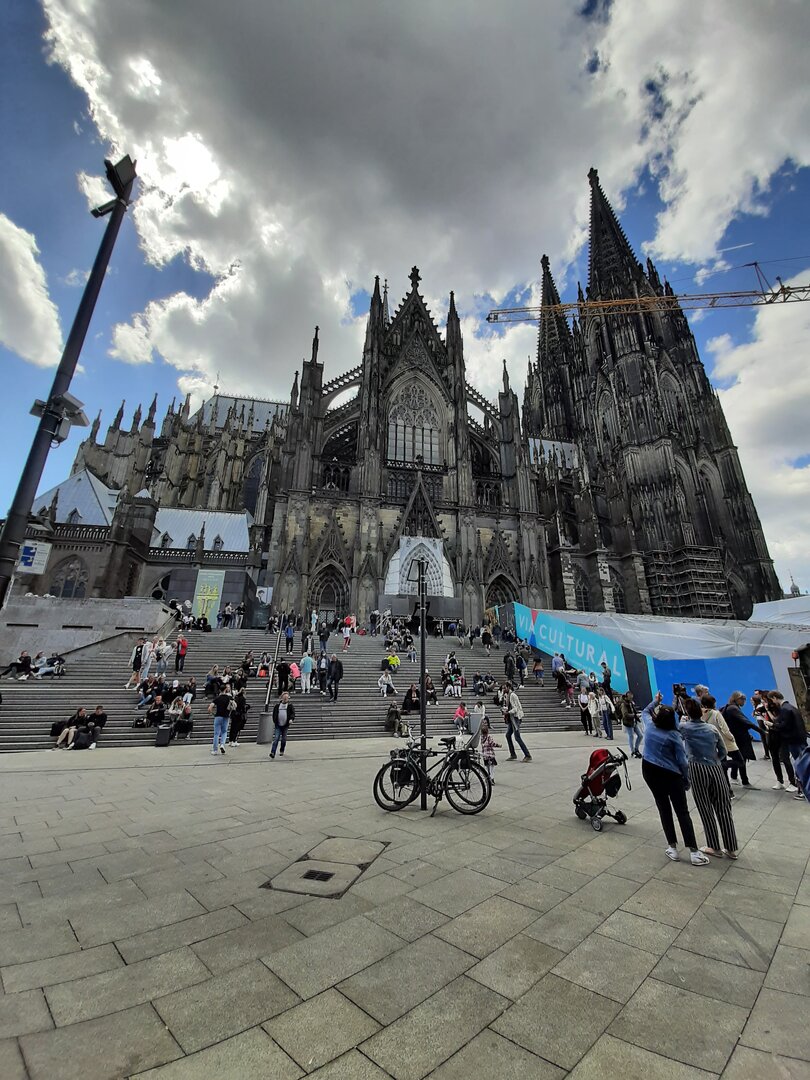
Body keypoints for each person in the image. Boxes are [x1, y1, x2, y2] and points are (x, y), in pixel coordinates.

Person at [641, 700, 709, 865]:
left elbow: (645, 711)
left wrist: (655, 701)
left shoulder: (649, 727)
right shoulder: (674, 736)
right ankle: (693, 851)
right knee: (682, 811)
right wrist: (686, 779)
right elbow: (682, 762)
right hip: (670, 774)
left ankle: (672, 847)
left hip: (649, 770)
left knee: (663, 808)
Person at [680, 697, 737, 858]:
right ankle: (731, 848)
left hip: (696, 767)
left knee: (705, 807)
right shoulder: (711, 729)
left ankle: (714, 846)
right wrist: (715, 760)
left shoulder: (685, 727)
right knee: (723, 807)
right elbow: (723, 751)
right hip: (715, 767)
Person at [766, 691, 807, 798]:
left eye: (771, 699)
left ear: (775, 698)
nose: (772, 702)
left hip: (794, 740)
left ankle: (803, 790)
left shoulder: (785, 709)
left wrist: (772, 725)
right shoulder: (791, 707)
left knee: (800, 765)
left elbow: (784, 725)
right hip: (800, 739)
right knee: (803, 763)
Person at [700, 694, 739, 798]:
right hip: (722, 742)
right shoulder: (716, 713)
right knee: (739, 761)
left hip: (709, 744)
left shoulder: (700, 714)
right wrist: (732, 738)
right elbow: (724, 729)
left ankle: (726, 790)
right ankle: (727, 789)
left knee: (721, 768)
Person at [721, 692, 762, 788]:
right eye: (743, 699)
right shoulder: (733, 708)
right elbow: (745, 721)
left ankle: (734, 777)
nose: (744, 701)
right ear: (737, 699)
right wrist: (761, 731)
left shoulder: (731, 707)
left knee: (739, 758)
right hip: (738, 738)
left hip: (736, 737)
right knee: (741, 758)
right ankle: (744, 781)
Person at [503, 682, 532, 761]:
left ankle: (527, 755)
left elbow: (515, 708)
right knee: (508, 735)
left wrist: (508, 712)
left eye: (505, 687)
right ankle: (513, 754)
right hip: (511, 718)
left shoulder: (512, 695)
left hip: (515, 718)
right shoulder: (507, 695)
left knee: (517, 737)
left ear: (509, 687)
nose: (503, 689)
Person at [270, 692, 294, 758]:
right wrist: (275, 721)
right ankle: (273, 752)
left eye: (287, 698)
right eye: (284, 698)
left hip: (285, 725)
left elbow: (292, 714)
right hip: (278, 725)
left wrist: (291, 719)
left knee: (284, 739)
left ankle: (282, 750)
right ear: (282, 698)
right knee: (276, 738)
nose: (286, 699)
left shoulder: (290, 706)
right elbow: (274, 714)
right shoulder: (277, 706)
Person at [620, 692, 643, 758]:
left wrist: (637, 715)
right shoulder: (624, 704)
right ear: (626, 697)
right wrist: (634, 715)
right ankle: (632, 751)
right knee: (631, 736)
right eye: (630, 698)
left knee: (640, 735)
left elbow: (633, 711)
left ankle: (636, 749)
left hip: (634, 722)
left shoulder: (631, 703)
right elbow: (625, 714)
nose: (631, 699)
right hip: (628, 723)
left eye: (632, 697)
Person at [209, 688, 232, 755]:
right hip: (226, 717)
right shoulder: (228, 698)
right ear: (225, 690)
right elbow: (234, 705)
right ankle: (222, 744)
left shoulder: (217, 698)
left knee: (216, 734)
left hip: (218, 716)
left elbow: (210, 708)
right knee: (224, 732)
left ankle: (215, 750)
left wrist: (213, 713)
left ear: (219, 690)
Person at [480, 719, 500, 783]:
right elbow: (492, 744)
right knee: (492, 767)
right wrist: (498, 745)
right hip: (490, 755)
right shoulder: (489, 737)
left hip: (485, 755)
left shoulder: (482, 738)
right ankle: (492, 778)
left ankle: (487, 777)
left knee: (487, 767)